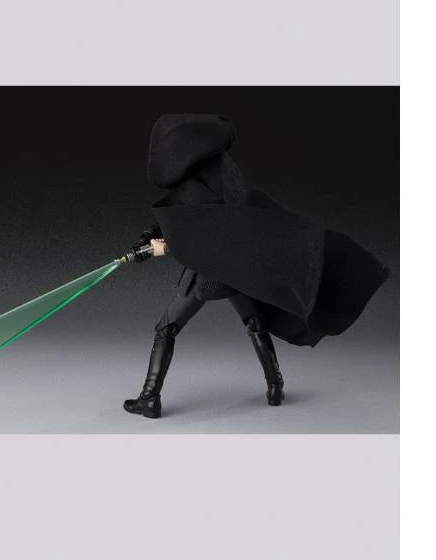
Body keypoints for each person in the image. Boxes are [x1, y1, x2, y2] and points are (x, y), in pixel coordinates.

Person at [124, 114, 389, 419]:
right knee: (255, 323)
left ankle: (149, 397)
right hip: (237, 270)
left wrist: (162, 246)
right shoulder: (221, 172)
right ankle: (275, 386)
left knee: (166, 328)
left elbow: (194, 233)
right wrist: (148, 236)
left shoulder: (195, 184)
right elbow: (185, 217)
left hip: (208, 272)